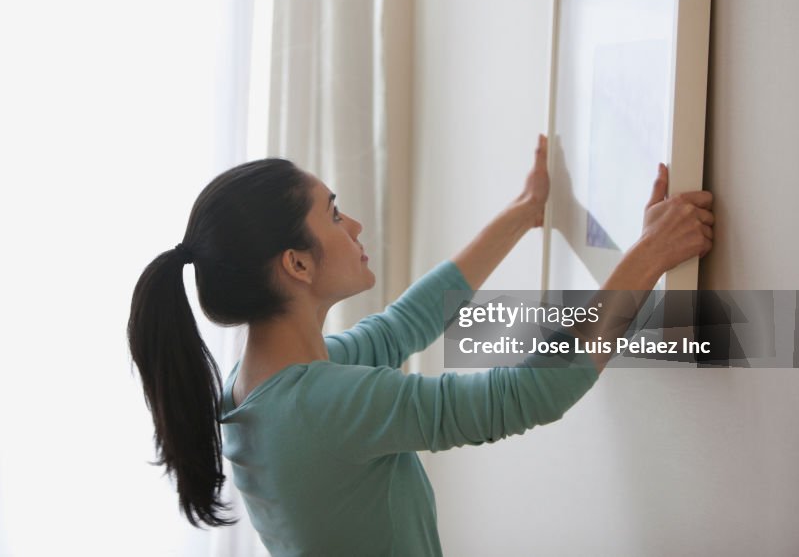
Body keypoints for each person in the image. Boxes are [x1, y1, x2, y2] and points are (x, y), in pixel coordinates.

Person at [126, 135, 714, 556]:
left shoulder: (264, 385)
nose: (354, 226)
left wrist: (523, 214)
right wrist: (649, 255)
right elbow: (532, 392)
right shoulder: (319, 405)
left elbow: (405, 324)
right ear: (297, 263)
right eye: (333, 215)